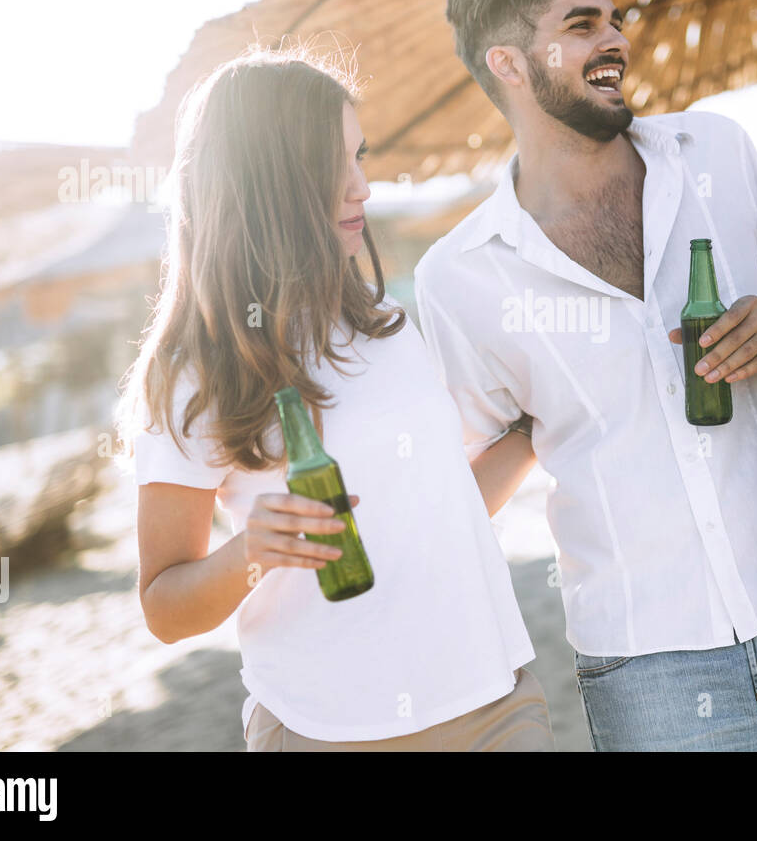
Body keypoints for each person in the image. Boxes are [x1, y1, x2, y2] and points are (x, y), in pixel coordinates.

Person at [414, 0, 757, 751]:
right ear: (509, 65)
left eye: (613, 19)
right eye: (581, 26)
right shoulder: (459, 277)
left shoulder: (716, 150)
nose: (616, 40)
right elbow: (462, 484)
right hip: (648, 668)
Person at [116, 47, 553, 751]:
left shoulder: (390, 327)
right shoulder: (195, 372)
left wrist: (531, 434)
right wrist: (253, 553)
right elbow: (165, 609)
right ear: (271, 181)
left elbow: (440, 504)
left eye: (362, 158)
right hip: (327, 730)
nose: (362, 189)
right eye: (336, 165)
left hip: (496, 704)